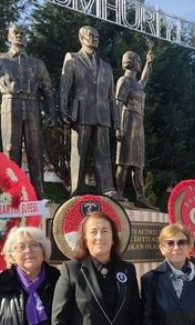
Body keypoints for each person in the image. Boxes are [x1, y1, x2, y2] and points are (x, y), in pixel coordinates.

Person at [0, 1, 55, 200]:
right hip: (10, 103)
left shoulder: (37, 64)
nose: (20, 35)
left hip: (32, 105)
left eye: (22, 32)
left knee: (35, 151)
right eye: (16, 32)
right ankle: (12, 193)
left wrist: (50, 112)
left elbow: (47, 90)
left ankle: (39, 193)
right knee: (10, 150)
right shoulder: (0, 59)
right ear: (9, 36)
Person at [60, 26, 120, 198]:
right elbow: (65, 87)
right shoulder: (72, 58)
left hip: (102, 115)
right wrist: (63, 109)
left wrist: (116, 122)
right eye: (91, 35)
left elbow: (111, 97)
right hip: (81, 113)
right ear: (81, 37)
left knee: (103, 154)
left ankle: (107, 189)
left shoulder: (107, 67)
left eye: (97, 36)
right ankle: (77, 189)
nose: (95, 38)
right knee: (79, 153)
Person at [115, 50, 156, 209]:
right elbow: (118, 103)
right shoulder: (124, 81)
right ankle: (118, 194)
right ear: (132, 62)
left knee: (138, 163)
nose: (140, 64)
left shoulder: (136, 85)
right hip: (128, 121)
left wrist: (149, 62)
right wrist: (117, 126)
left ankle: (140, 197)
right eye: (139, 61)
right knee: (124, 161)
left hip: (138, 123)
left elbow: (143, 80)